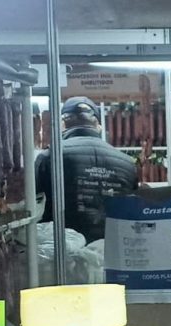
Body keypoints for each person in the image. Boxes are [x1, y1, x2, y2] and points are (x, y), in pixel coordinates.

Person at [36, 97, 139, 244]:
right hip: (115, 248)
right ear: (98, 125)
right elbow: (133, 209)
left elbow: (34, 206)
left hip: (65, 250)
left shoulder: (50, 156)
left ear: (62, 124)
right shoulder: (127, 162)